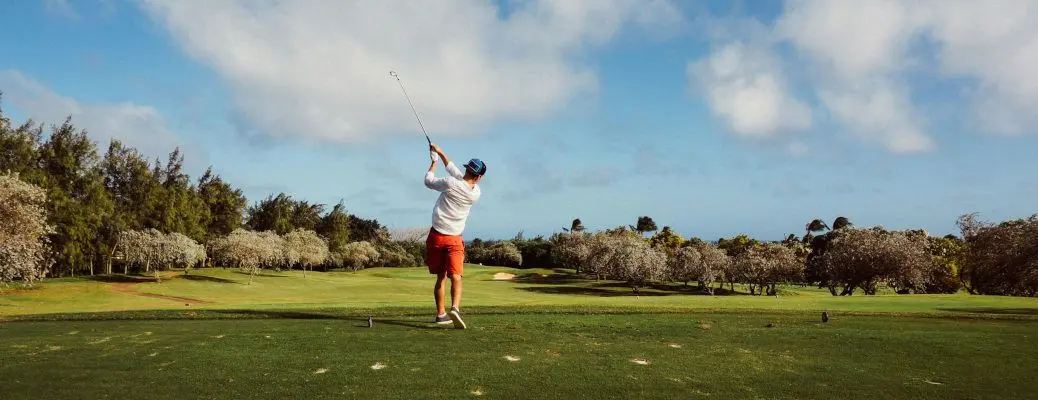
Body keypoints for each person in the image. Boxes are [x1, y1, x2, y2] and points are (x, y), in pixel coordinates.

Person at [423, 143, 486, 329]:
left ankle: (441, 314)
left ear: (468, 169)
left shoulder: (450, 184)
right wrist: (440, 152)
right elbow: (456, 173)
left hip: (436, 236)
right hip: (454, 239)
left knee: (440, 278)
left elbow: (428, 180)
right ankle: (455, 308)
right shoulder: (476, 193)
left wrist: (434, 162)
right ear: (479, 177)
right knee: (456, 276)